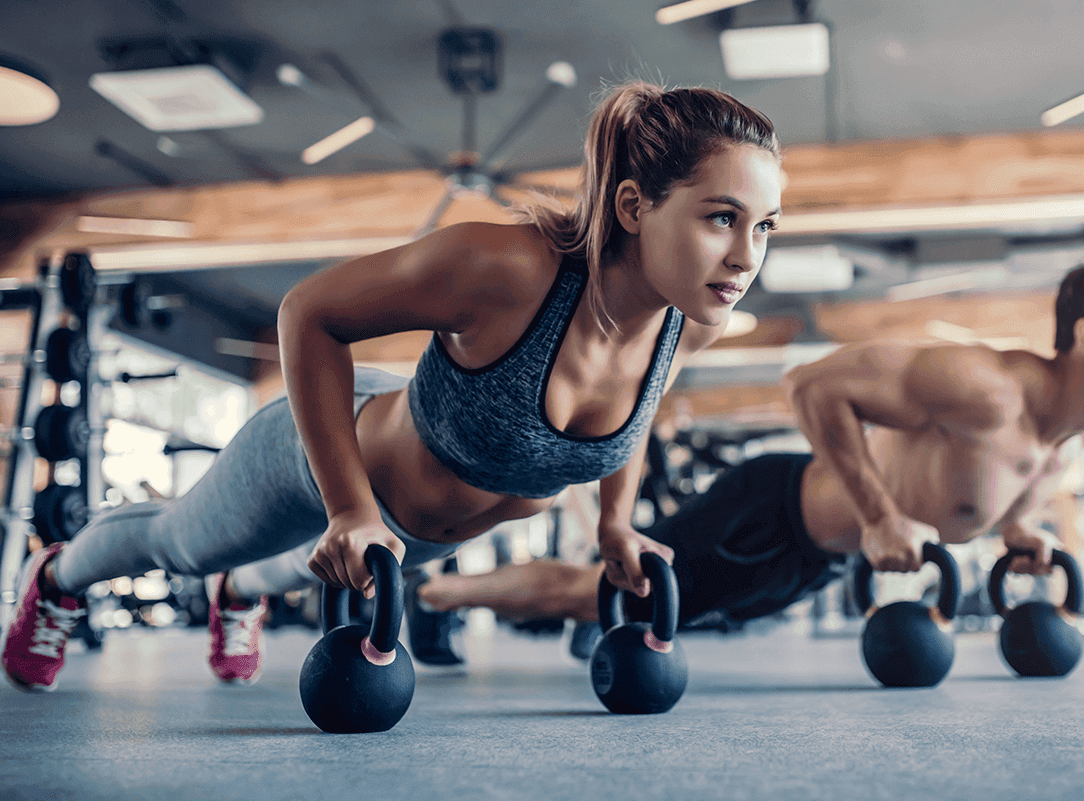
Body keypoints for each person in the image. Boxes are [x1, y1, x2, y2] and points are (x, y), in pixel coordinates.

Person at [1, 80, 784, 690]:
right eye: (723, 217)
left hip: (399, 536)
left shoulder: (690, 319)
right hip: (326, 453)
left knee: (303, 562)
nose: (747, 256)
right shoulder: (505, 270)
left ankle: (243, 593)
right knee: (179, 546)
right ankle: (58, 577)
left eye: (765, 226)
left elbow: (634, 418)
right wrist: (348, 506)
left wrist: (615, 523)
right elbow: (309, 312)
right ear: (633, 206)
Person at [397, 249, 1084, 639]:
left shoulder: (1064, 442)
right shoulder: (984, 384)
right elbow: (812, 385)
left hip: (807, 559)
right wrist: (880, 514)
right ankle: (431, 598)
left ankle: (520, 614)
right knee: (592, 590)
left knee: (628, 608)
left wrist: (1020, 533)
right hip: (768, 514)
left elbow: (983, 493)